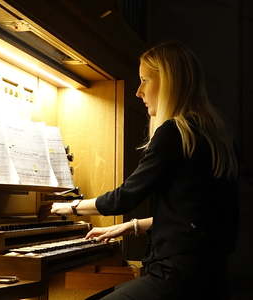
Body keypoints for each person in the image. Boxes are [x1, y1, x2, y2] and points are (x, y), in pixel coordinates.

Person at [49, 41, 239, 300]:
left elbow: (124, 197)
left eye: (144, 80)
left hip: (176, 275)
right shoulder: (212, 134)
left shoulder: (174, 133)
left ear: (168, 81)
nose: (138, 92)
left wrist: (69, 207)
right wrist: (132, 226)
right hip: (209, 274)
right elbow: (197, 216)